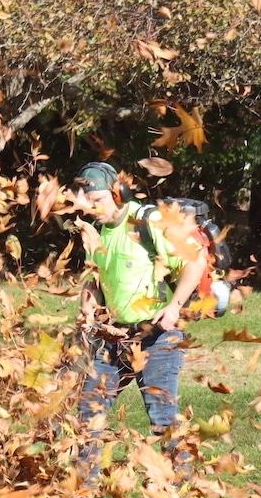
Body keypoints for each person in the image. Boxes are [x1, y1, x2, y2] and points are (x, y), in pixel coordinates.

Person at [68, 161, 209, 448]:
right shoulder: (97, 230)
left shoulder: (147, 221)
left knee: (163, 420)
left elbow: (195, 262)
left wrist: (174, 307)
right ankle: (83, 490)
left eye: (98, 201)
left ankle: (178, 483)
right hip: (114, 338)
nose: (93, 208)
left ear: (118, 192)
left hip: (157, 336)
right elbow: (96, 278)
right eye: (88, 203)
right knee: (88, 414)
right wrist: (88, 308)